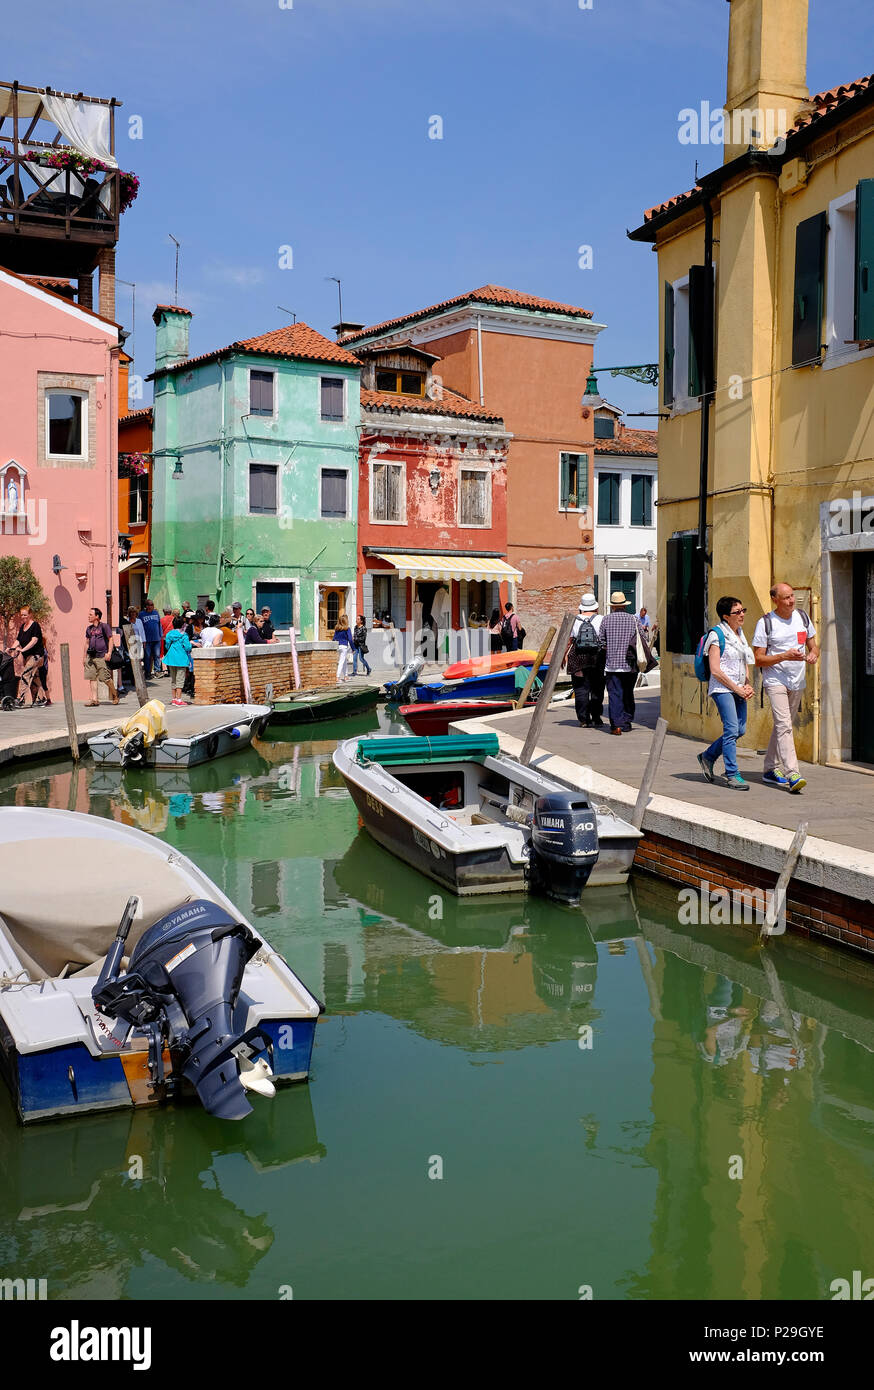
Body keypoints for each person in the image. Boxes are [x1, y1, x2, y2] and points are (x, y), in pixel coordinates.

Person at [753, 583, 818, 794]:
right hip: (775, 679)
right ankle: (792, 773)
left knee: (784, 725)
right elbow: (759, 659)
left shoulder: (802, 617)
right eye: (786, 598)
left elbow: (813, 645)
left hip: (797, 679)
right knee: (784, 725)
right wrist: (784, 656)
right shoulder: (765, 623)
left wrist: (813, 654)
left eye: (792, 596)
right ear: (775, 600)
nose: (791, 601)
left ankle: (770, 769)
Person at [697, 596, 755, 790]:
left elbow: (744, 661)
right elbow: (715, 670)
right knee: (731, 730)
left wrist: (746, 684)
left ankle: (708, 756)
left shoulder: (740, 633)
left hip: (738, 688)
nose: (742, 615)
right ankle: (732, 775)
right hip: (722, 688)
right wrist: (737, 688)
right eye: (737, 612)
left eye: (742, 610)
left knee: (740, 730)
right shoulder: (716, 635)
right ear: (725, 616)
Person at [562, 593, 605, 728]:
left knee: (581, 689)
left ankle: (583, 720)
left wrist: (563, 656)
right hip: (597, 657)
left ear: (581, 607)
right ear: (596, 607)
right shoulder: (602, 619)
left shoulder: (574, 620)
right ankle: (597, 718)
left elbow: (568, 641)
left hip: (578, 658)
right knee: (597, 689)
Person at [600, 591, 638, 734]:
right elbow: (642, 638)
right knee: (628, 693)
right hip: (630, 665)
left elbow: (601, 641)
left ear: (613, 606)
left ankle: (616, 725)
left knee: (614, 694)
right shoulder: (634, 619)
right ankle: (626, 723)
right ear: (624, 605)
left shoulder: (606, 620)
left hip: (612, 665)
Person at [12, 605, 47, 706]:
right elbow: (18, 640)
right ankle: (40, 699)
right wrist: (12, 648)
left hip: (36, 655)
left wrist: (22, 649)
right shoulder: (22, 627)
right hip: (27, 657)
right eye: (21, 615)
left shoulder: (35, 625)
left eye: (25, 615)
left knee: (25, 674)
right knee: (35, 677)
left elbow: (34, 640)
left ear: (30, 614)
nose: (23, 617)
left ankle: (20, 699)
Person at [84, 606, 118, 706]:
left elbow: (110, 639)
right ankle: (94, 700)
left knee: (105, 678)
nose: (88, 616)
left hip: (101, 656)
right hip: (91, 657)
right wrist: (84, 657)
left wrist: (109, 653)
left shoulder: (104, 626)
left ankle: (115, 695)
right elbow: (86, 643)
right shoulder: (89, 629)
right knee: (92, 677)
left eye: (91, 614)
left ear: (97, 616)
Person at [163, 617, 192, 706]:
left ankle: (174, 698)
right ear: (182, 625)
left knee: (174, 679)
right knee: (180, 679)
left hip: (171, 658)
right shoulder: (184, 635)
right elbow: (188, 647)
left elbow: (167, 646)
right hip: (181, 659)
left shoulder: (169, 634)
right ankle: (179, 699)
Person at [140, 599, 163, 680]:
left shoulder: (156, 613)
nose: (151, 606)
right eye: (149, 605)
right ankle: (147, 672)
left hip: (157, 639)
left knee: (157, 655)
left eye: (152, 605)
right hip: (147, 640)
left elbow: (159, 624)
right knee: (147, 656)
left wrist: (161, 635)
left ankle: (157, 671)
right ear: (146, 606)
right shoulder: (141, 614)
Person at [333, 612, 354, 681]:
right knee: (341, 662)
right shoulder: (347, 629)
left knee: (344, 661)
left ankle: (346, 676)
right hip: (344, 647)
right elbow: (350, 639)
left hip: (338, 646)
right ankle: (337, 677)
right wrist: (353, 648)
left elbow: (334, 638)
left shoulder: (337, 628)